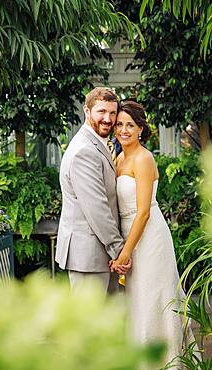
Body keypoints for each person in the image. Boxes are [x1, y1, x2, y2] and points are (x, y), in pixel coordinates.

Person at [111, 100, 196, 367]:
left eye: (130, 125)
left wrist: (125, 252)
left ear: (140, 129)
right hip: (129, 235)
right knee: (136, 302)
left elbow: (144, 212)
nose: (124, 130)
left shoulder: (144, 158)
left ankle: (165, 362)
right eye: (120, 124)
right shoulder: (118, 157)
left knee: (152, 299)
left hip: (148, 238)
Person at [55, 87, 130, 293]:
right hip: (88, 255)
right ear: (87, 112)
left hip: (98, 253)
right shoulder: (84, 151)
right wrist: (119, 250)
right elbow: (97, 208)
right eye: (101, 112)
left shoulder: (97, 143)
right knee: (88, 322)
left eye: (112, 113)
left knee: (105, 321)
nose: (108, 119)